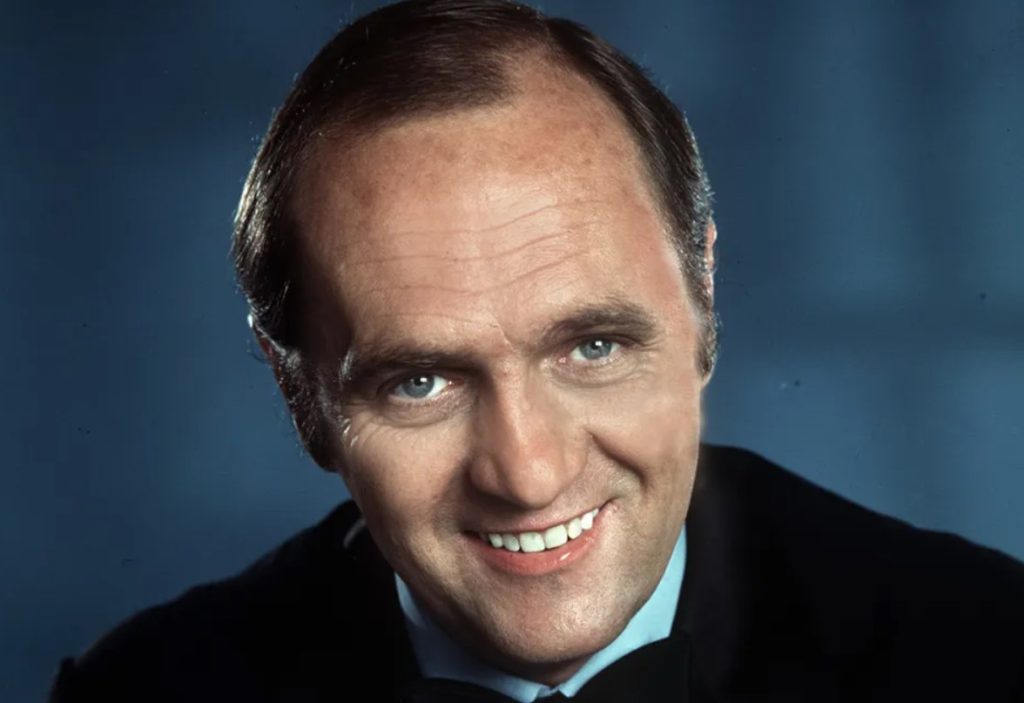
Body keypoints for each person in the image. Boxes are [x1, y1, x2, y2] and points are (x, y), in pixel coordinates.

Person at [50, 1, 1023, 701]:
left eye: (593, 346)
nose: (528, 473)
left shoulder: (985, 648)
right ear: (299, 394)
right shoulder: (141, 688)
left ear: (701, 298)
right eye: (420, 381)